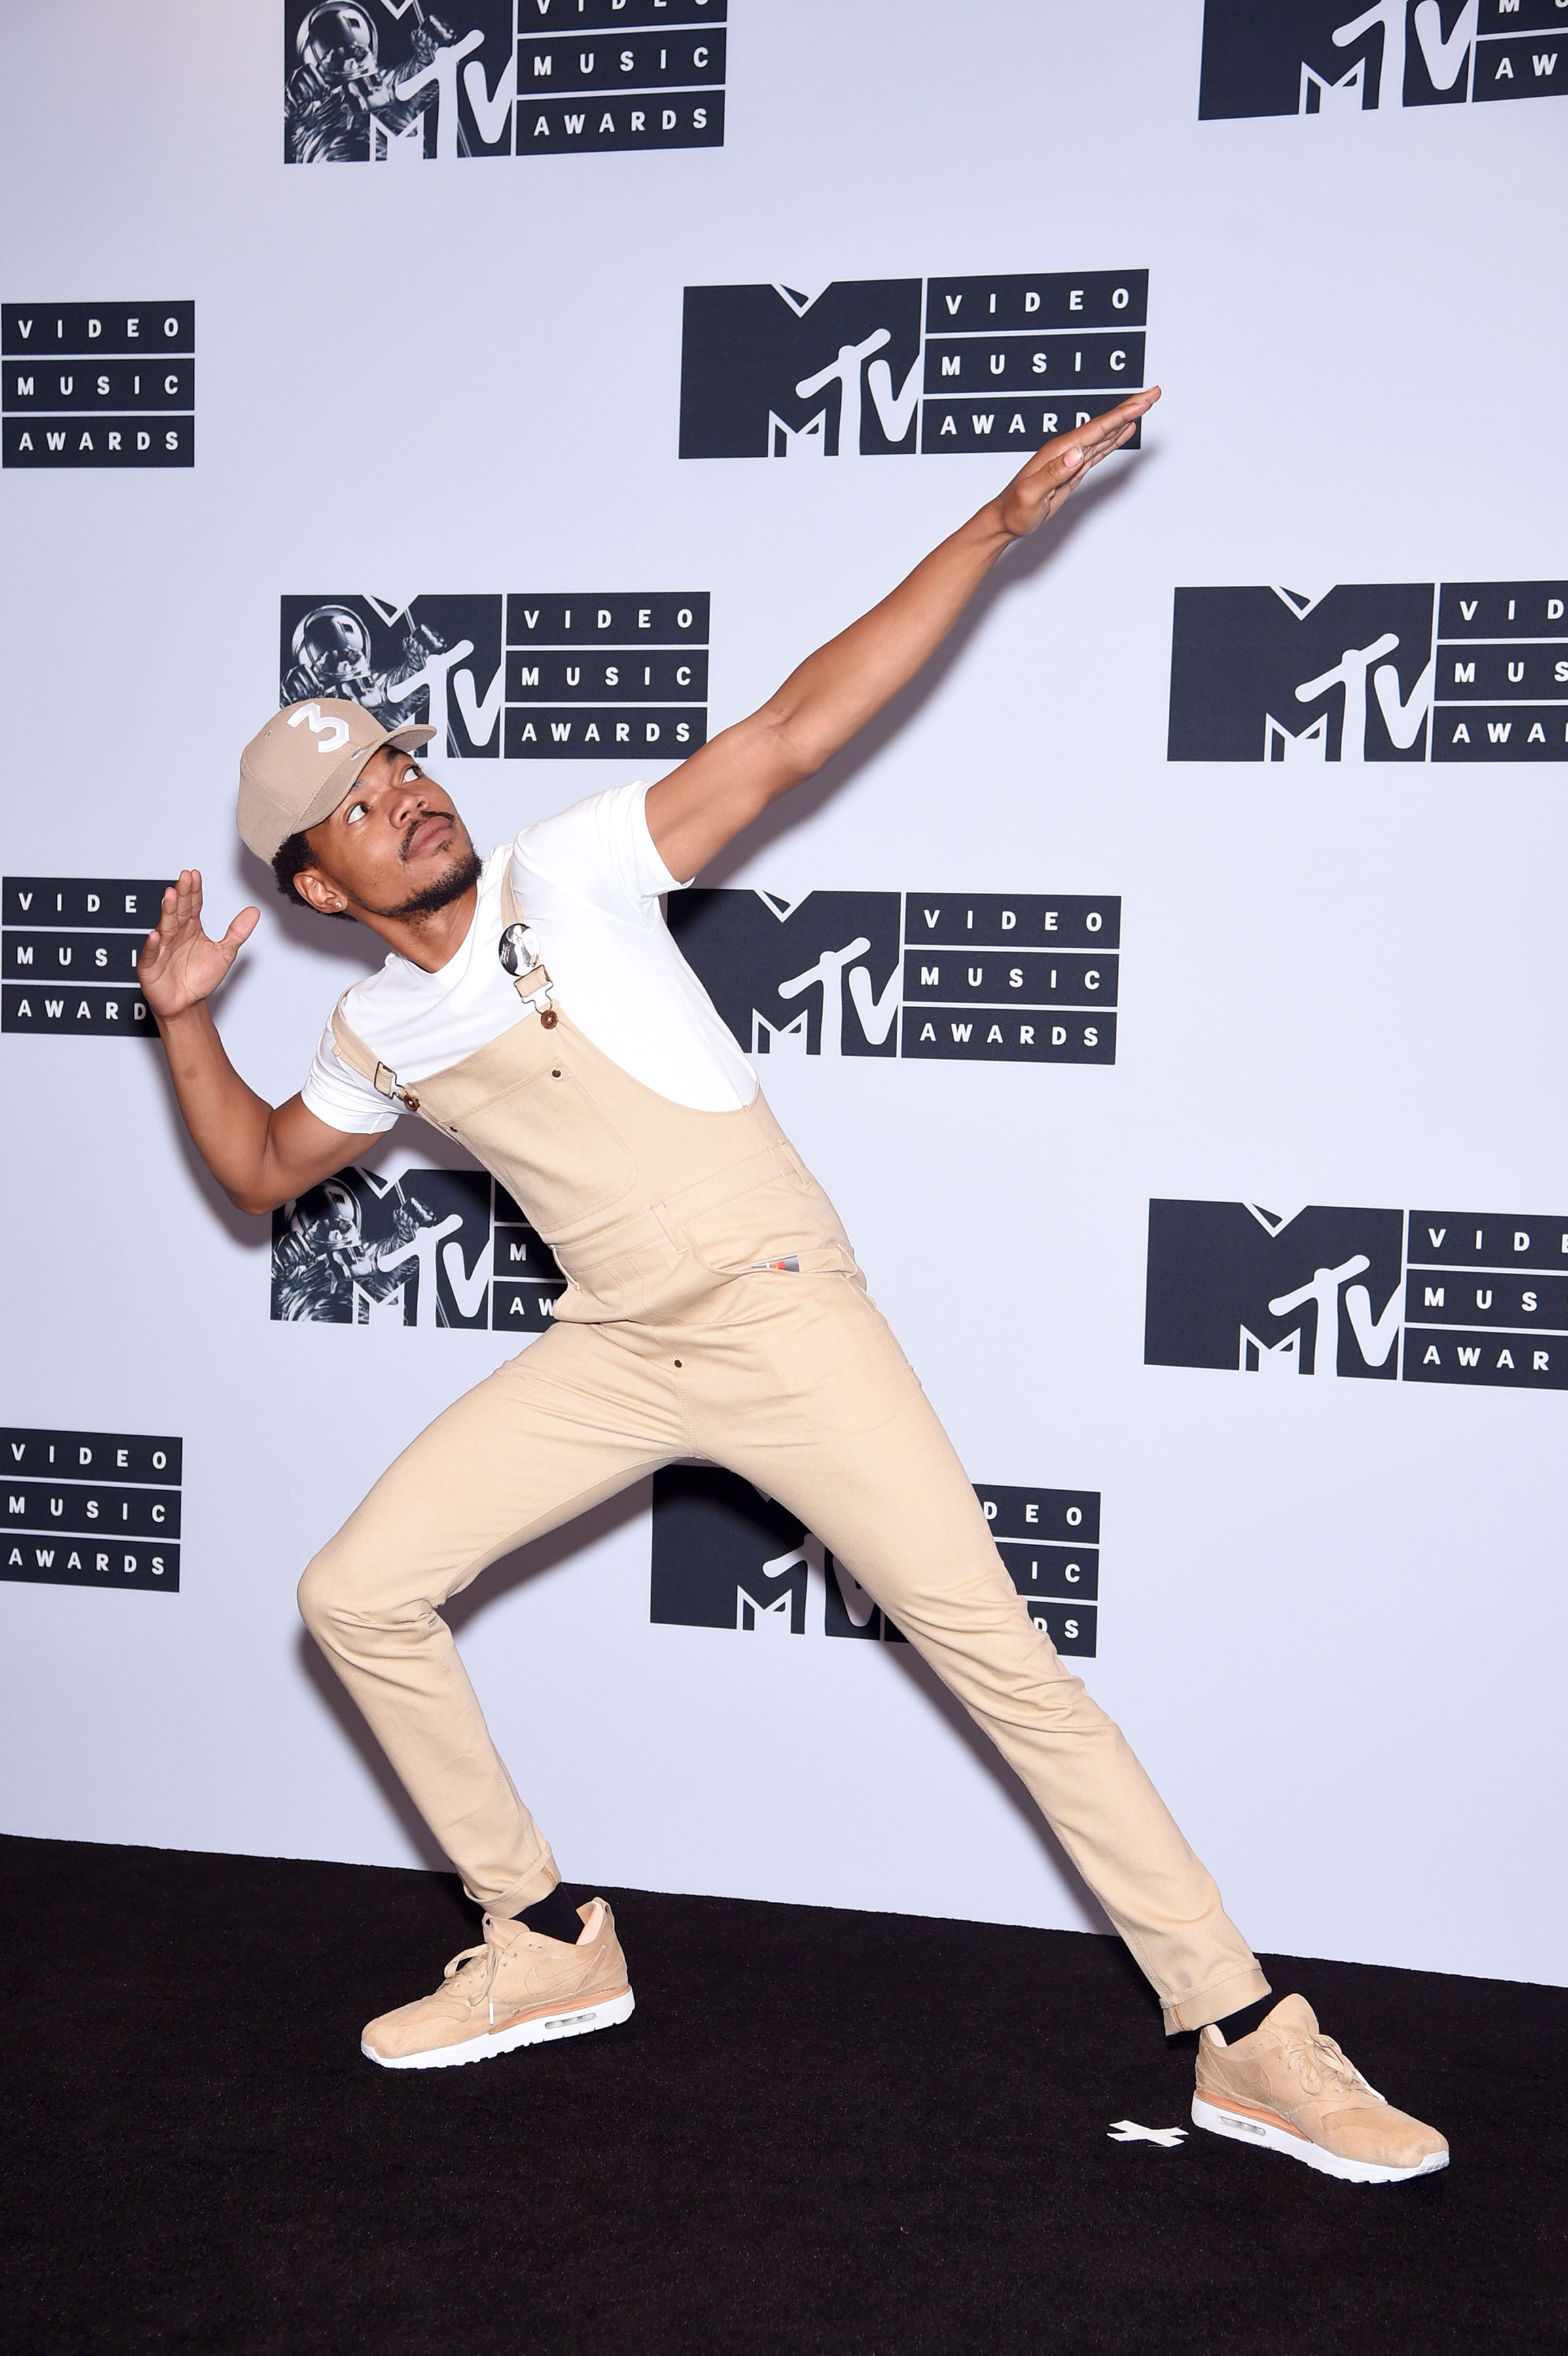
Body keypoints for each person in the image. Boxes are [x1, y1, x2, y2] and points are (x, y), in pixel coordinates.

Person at [138, 389, 1446, 2183]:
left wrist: (994, 529)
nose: (410, 795)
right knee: (354, 1592)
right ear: (313, 886)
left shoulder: (573, 870)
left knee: (1008, 1670)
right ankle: (540, 1936)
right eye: (362, 805)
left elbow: (792, 731)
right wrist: (185, 1027)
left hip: (781, 1316)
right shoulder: (377, 1021)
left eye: (406, 763)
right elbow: (263, 1172)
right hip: (614, 1351)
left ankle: (1243, 2038)